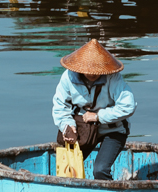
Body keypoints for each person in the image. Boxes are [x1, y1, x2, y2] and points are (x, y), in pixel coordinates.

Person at [51, 39, 135, 180]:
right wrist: (67, 126)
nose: (92, 74)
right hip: (85, 131)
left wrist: (98, 116)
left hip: (113, 130)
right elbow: (60, 106)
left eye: (96, 70)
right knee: (68, 170)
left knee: (100, 170)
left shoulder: (113, 78)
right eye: (88, 70)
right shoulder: (68, 77)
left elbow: (128, 106)